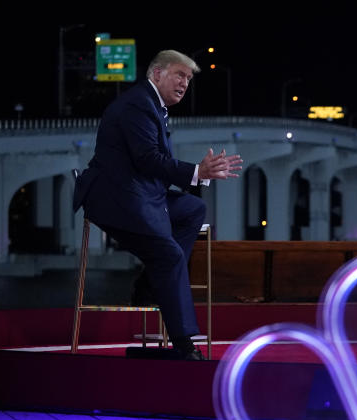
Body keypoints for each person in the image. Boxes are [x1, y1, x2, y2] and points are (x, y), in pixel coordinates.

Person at [73, 50, 243, 359]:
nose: (184, 83)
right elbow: (147, 158)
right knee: (169, 254)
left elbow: (152, 165)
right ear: (156, 75)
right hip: (115, 198)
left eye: (188, 80)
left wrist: (196, 176)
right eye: (179, 75)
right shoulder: (138, 104)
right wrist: (196, 172)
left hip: (140, 191)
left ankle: (150, 282)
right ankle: (183, 344)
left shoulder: (154, 106)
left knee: (193, 209)